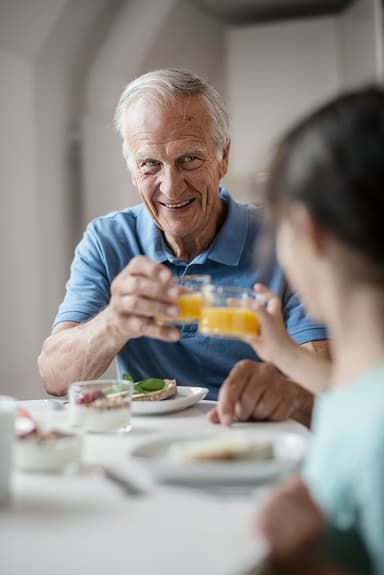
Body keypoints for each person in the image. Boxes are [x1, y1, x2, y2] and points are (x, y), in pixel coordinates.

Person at [37, 68, 327, 423]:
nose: (171, 188)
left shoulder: (282, 239)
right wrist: (113, 322)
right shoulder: (107, 240)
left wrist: (290, 397)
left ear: (223, 157)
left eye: (189, 159)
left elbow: (330, 384)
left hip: (255, 441)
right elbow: (53, 377)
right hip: (147, 449)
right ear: (132, 169)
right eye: (150, 165)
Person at [247, 86, 384, 574]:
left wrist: (309, 560)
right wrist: (283, 352)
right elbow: (350, 397)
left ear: (310, 232)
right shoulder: (366, 389)